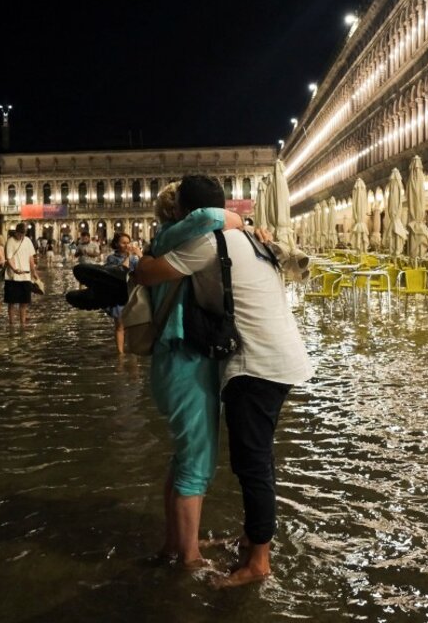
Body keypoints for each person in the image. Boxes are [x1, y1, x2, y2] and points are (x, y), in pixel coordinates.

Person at [133, 174, 314, 588]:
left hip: (256, 363)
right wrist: (239, 220)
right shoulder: (250, 238)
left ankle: (258, 562)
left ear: (190, 215)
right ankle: (232, 542)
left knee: (252, 464)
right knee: (251, 459)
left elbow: (147, 272)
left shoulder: (207, 241)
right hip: (278, 358)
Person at [138, 182, 244, 569]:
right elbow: (212, 216)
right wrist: (241, 221)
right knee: (198, 462)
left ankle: (175, 543)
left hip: (172, 362)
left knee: (183, 458)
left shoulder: (165, 242)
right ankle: (190, 558)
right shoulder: (174, 234)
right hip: (185, 360)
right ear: (181, 212)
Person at [103, 233, 141, 353]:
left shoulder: (135, 259)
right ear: (116, 244)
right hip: (118, 293)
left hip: (132, 293)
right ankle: (120, 353)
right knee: (120, 325)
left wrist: (140, 255)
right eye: (123, 243)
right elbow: (121, 271)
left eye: (128, 242)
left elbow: (145, 270)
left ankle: (132, 351)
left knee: (132, 325)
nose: (126, 245)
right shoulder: (111, 258)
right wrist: (128, 257)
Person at [4, 223, 39, 326]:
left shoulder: (27, 241)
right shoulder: (10, 241)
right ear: (16, 232)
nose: (21, 237)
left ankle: (23, 324)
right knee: (12, 303)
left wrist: (34, 272)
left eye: (23, 235)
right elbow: (9, 258)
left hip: (26, 276)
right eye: (19, 234)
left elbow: (31, 258)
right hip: (12, 278)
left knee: (24, 303)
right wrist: (14, 269)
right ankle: (11, 324)